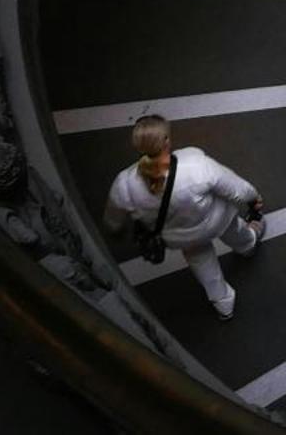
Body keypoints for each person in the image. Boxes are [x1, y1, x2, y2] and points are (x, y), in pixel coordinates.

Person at [102, 116, 264, 319]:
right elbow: (236, 189)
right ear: (166, 141)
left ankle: (224, 305)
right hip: (216, 220)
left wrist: (115, 229)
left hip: (182, 238)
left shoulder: (124, 184)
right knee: (237, 232)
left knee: (204, 266)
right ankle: (248, 245)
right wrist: (254, 197)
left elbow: (113, 221)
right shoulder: (195, 164)